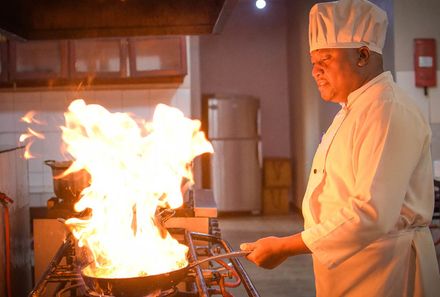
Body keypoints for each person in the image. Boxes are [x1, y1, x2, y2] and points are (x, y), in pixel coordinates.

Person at [240, 0, 440, 296]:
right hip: (353, 267)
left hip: (387, 271)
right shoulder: (353, 109)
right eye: (313, 63)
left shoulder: (387, 111)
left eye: (326, 60)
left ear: (362, 55)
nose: (315, 72)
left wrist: (284, 246)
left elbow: (371, 213)